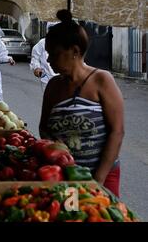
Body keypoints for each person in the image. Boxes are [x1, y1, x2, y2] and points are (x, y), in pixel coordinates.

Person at [39, 10, 124, 196]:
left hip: (102, 176)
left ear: (75, 51)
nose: (48, 59)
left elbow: (117, 131)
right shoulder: (53, 86)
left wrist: (98, 180)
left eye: (54, 53)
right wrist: (55, 145)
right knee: (72, 215)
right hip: (66, 177)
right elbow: (44, 127)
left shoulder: (102, 80)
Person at [29, 22, 57, 92]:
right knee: (49, 101)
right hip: (47, 79)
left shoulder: (65, 43)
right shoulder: (42, 43)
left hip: (63, 79)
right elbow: (35, 57)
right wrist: (36, 68)